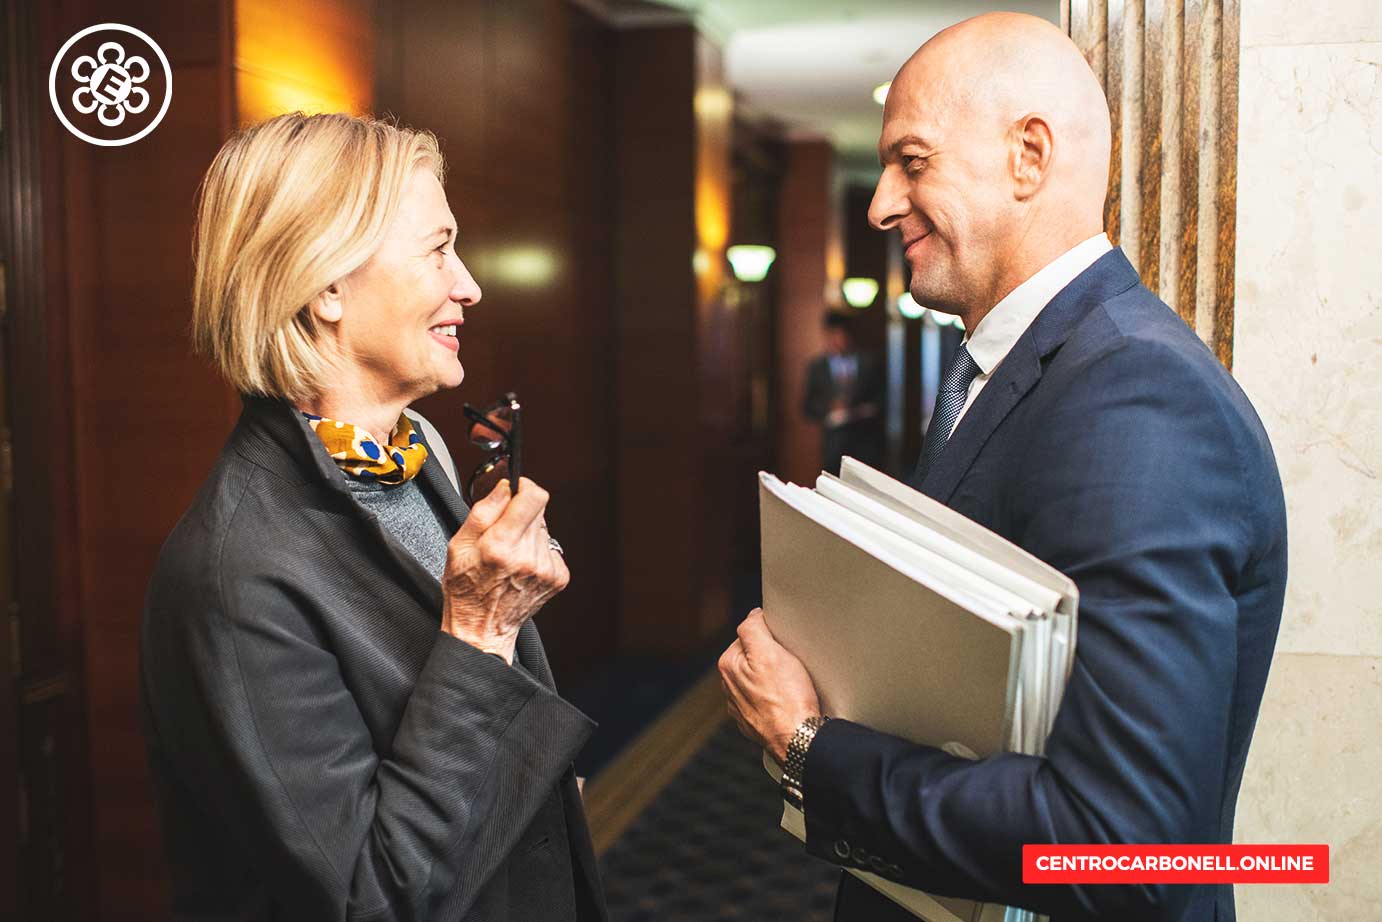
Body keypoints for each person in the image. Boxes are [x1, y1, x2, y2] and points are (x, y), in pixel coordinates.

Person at [719, 12, 1285, 922]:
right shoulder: (1009, 368)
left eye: (912, 161)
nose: (880, 204)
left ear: (1029, 156)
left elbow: (1124, 847)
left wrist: (806, 746)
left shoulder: (1138, 398)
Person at [140, 113, 606, 922]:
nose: (470, 284)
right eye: (437, 248)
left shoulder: (412, 443)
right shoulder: (234, 575)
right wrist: (479, 630)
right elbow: (368, 899)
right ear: (325, 284)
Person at [803, 312, 884, 474]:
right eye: (834, 334)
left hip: (865, 444)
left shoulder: (868, 363)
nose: (839, 340)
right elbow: (807, 406)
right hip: (833, 447)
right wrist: (829, 409)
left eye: (842, 334)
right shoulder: (817, 367)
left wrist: (864, 410)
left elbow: (882, 399)